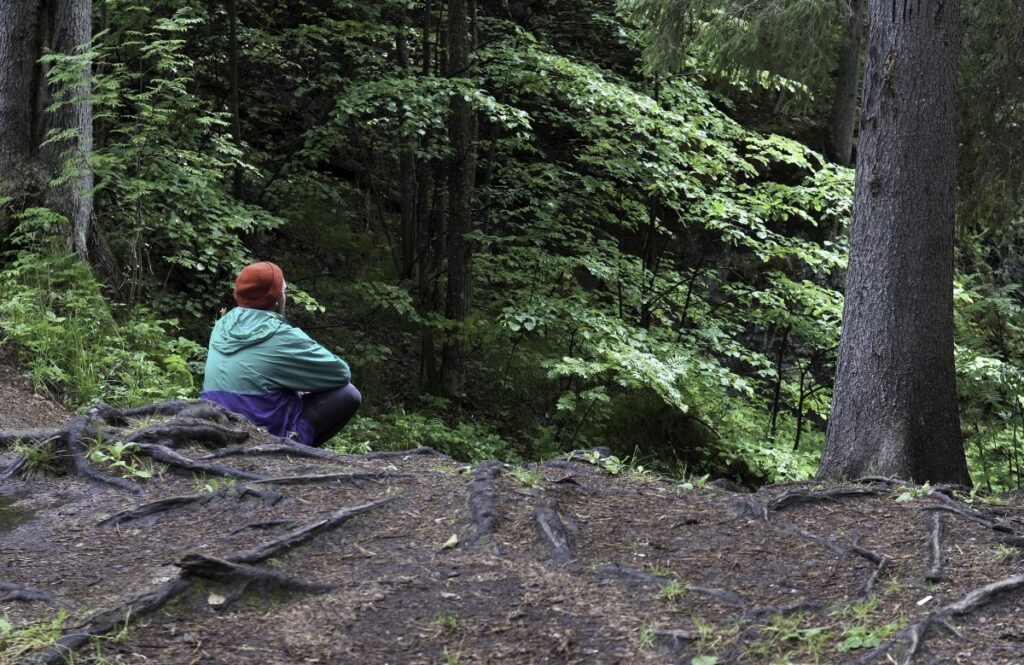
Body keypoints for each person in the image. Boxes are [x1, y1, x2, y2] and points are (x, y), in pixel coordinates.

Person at [201, 261, 361, 446]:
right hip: (261, 436)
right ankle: (294, 449)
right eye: (284, 291)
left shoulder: (222, 325)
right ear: (276, 299)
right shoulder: (282, 336)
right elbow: (341, 373)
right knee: (349, 394)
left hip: (215, 423)